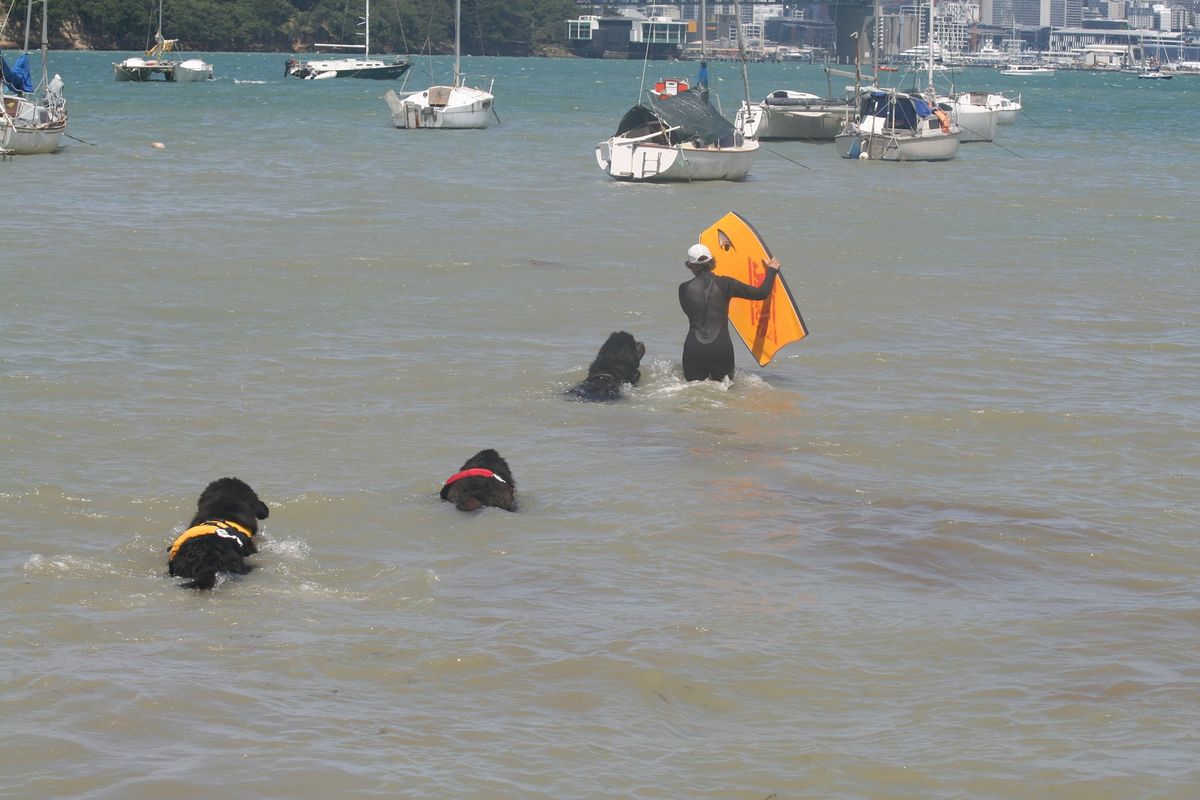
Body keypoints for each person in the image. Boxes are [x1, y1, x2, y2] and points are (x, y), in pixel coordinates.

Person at [678, 243, 780, 382]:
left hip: (694, 348)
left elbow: (689, 312)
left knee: (694, 395)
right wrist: (772, 270)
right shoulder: (726, 284)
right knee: (724, 395)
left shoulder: (683, 289)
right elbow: (761, 293)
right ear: (711, 262)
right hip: (721, 348)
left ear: (690, 265)